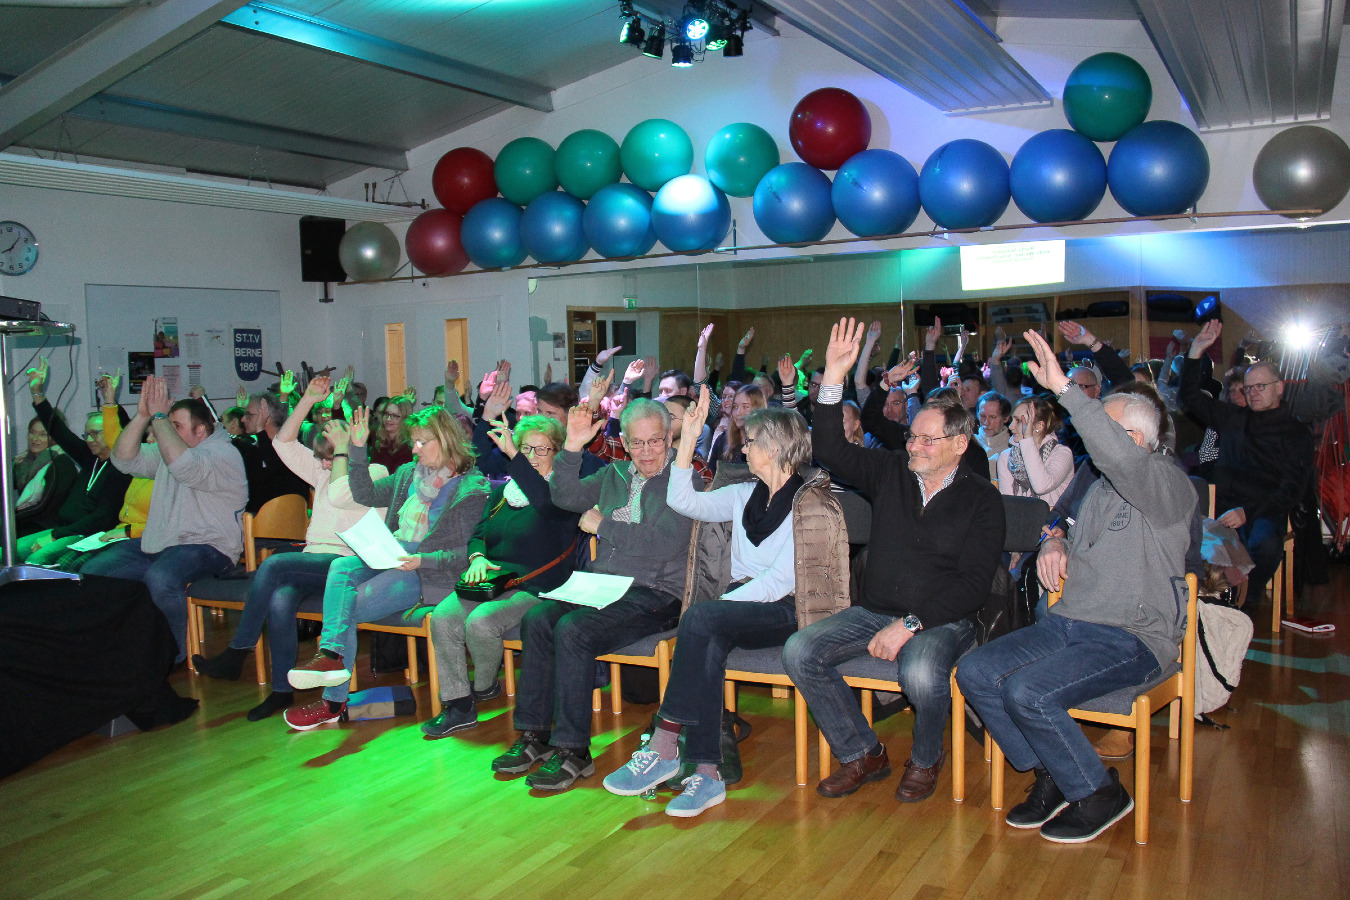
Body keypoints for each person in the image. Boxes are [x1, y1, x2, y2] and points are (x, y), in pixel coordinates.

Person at [956, 328, 1196, 844]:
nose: (1090, 438)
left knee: (1027, 691)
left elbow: (1123, 462)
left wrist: (1066, 389)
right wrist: (1055, 541)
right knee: (975, 671)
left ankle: (1100, 791)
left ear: (1134, 441)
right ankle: (1054, 771)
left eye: (1104, 427)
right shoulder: (1099, 488)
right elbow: (1061, 519)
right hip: (1070, 624)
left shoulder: (1167, 484)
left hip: (1132, 637)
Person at [783, 318, 1004, 804]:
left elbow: (973, 584)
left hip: (944, 618)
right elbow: (829, 448)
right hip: (875, 610)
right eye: (912, 437)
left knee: (919, 674)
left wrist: (910, 624)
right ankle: (863, 753)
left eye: (927, 440)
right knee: (800, 651)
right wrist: (834, 376)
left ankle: (925, 759)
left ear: (959, 445)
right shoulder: (891, 471)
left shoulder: (982, 499)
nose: (913, 447)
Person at [603, 392, 842, 817]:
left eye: (750, 442)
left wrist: (719, 604)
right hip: (737, 607)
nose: (743, 449)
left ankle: (664, 742)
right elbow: (683, 501)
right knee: (707, 639)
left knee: (701, 619)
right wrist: (688, 440)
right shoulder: (743, 493)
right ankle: (707, 772)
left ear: (774, 448)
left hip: (788, 609)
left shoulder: (811, 502)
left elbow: (779, 582)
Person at [492, 398, 692, 791]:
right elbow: (563, 498)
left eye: (655, 441)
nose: (647, 452)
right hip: (605, 585)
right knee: (537, 618)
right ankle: (534, 734)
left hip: (656, 594)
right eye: (637, 443)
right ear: (625, 443)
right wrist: (571, 447)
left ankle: (573, 750)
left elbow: (664, 544)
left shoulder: (684, 480)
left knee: (574, 629)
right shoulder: (614, 474)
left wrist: (604, 526)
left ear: (669, 439)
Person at [191, 376, 389, 721]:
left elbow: (343, 492)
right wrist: (307, 400)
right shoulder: (324, 473)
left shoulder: (374, 472)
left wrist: (343, 453)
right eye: (321, 459)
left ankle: (238, 650)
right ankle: (281, 690)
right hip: (314, 563)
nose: (323, 465)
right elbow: (283, 442)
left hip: (346, 564)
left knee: (274, 563)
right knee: (281, 599)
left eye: (329, 458)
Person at [283, 406, 489, 729]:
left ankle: (332, 699)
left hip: (428, 572)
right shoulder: (409, 474)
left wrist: (422, 559)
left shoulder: (471, 487)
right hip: (394, 555)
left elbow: (465, 554)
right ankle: (331, 658)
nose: (414, 449)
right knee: (341, 566)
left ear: (446, 439)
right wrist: (358, 447)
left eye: (422, 442)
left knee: (346, 607)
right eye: (413, 442)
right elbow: (364, 493)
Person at [420, 415, 580, 736]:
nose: (532, 456)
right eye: (525, 449)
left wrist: (514, 457)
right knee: (443, 617)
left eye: (541, 450)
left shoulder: (562, 495)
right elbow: (478, 534)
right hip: (492, 582)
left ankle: (484, 686)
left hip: (534, 587)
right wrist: (477, 557)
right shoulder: (502, 494)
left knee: (481, 622)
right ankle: (459, 705)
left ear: (558, 453)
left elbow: (545, 504)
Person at [83, 376, 248, 663]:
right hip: (164, 544)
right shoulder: (170, 453)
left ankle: (171, 655)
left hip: (211, 547)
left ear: (200, 431)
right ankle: (116, 647)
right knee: (95, 571)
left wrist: (159, 417)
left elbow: (185, 468)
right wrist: (142, 415)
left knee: (161, 579)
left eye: (176, 426)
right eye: (168, 424)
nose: (167, 430)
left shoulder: (224, 454)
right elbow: (122, 460)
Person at [1180, 320, 1314, 606]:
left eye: (1260, 387)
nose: (1252, 393)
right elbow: (1189, 397)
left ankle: (1243, 602)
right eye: (1248, 388)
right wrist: (1196, 351)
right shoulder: (1233, 418)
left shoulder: (1296, 433)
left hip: (1263, 511)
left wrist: (1247, 512)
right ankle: (1215, 604)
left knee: (1264, 545)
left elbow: (1292, 489)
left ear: (1279, 388)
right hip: (1223, 509)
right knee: (1191, 540)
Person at [18, 359, 132, 564]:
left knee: (36, 559)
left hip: (85, 534)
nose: (89, 440)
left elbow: (101, 519)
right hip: (63, 528)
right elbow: (58, 431)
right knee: (9, 551)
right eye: (86, 434)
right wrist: (37, 393)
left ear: (111, 431)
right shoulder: (90, 457)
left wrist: (110, 400)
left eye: (95, 433)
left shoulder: (121, 468)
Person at [237, 391, 312, 514]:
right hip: (257, 517)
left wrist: (261, 430)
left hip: (283, 517)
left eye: (249, 415)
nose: (243, 419)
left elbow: (276, 468)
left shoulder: (291, 446)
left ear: (266, 418)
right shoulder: (252, 448)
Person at [996, 395, 1074, 508]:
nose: (1011, 426)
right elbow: (1007, 505)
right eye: (1012, 420)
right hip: (1019, 517)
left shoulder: (1061, 454)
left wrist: (1027, 439)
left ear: (1039, 426)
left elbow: (1041, 486)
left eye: (1018, 421)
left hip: (1052, 518)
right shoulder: (1006, 457)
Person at [708, 384, 766, 475]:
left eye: (745, 407)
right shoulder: (722, 440)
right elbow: (710, 475)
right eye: (735, 407)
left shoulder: (768, 444)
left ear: (759, 410)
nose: (738, 412)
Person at [370, 396, 414, 471]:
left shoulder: (407, 446)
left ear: (405, 419)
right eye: (386, 413)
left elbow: (397, 476)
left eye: (395, 416)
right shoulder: (378, 437)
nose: (388, 419)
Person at [975, 391, 1012, 479]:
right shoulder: (968, 443)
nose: (986, 422)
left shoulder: (1012, 448)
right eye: (982, 416)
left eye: (993, 417)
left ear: (1006, 418)